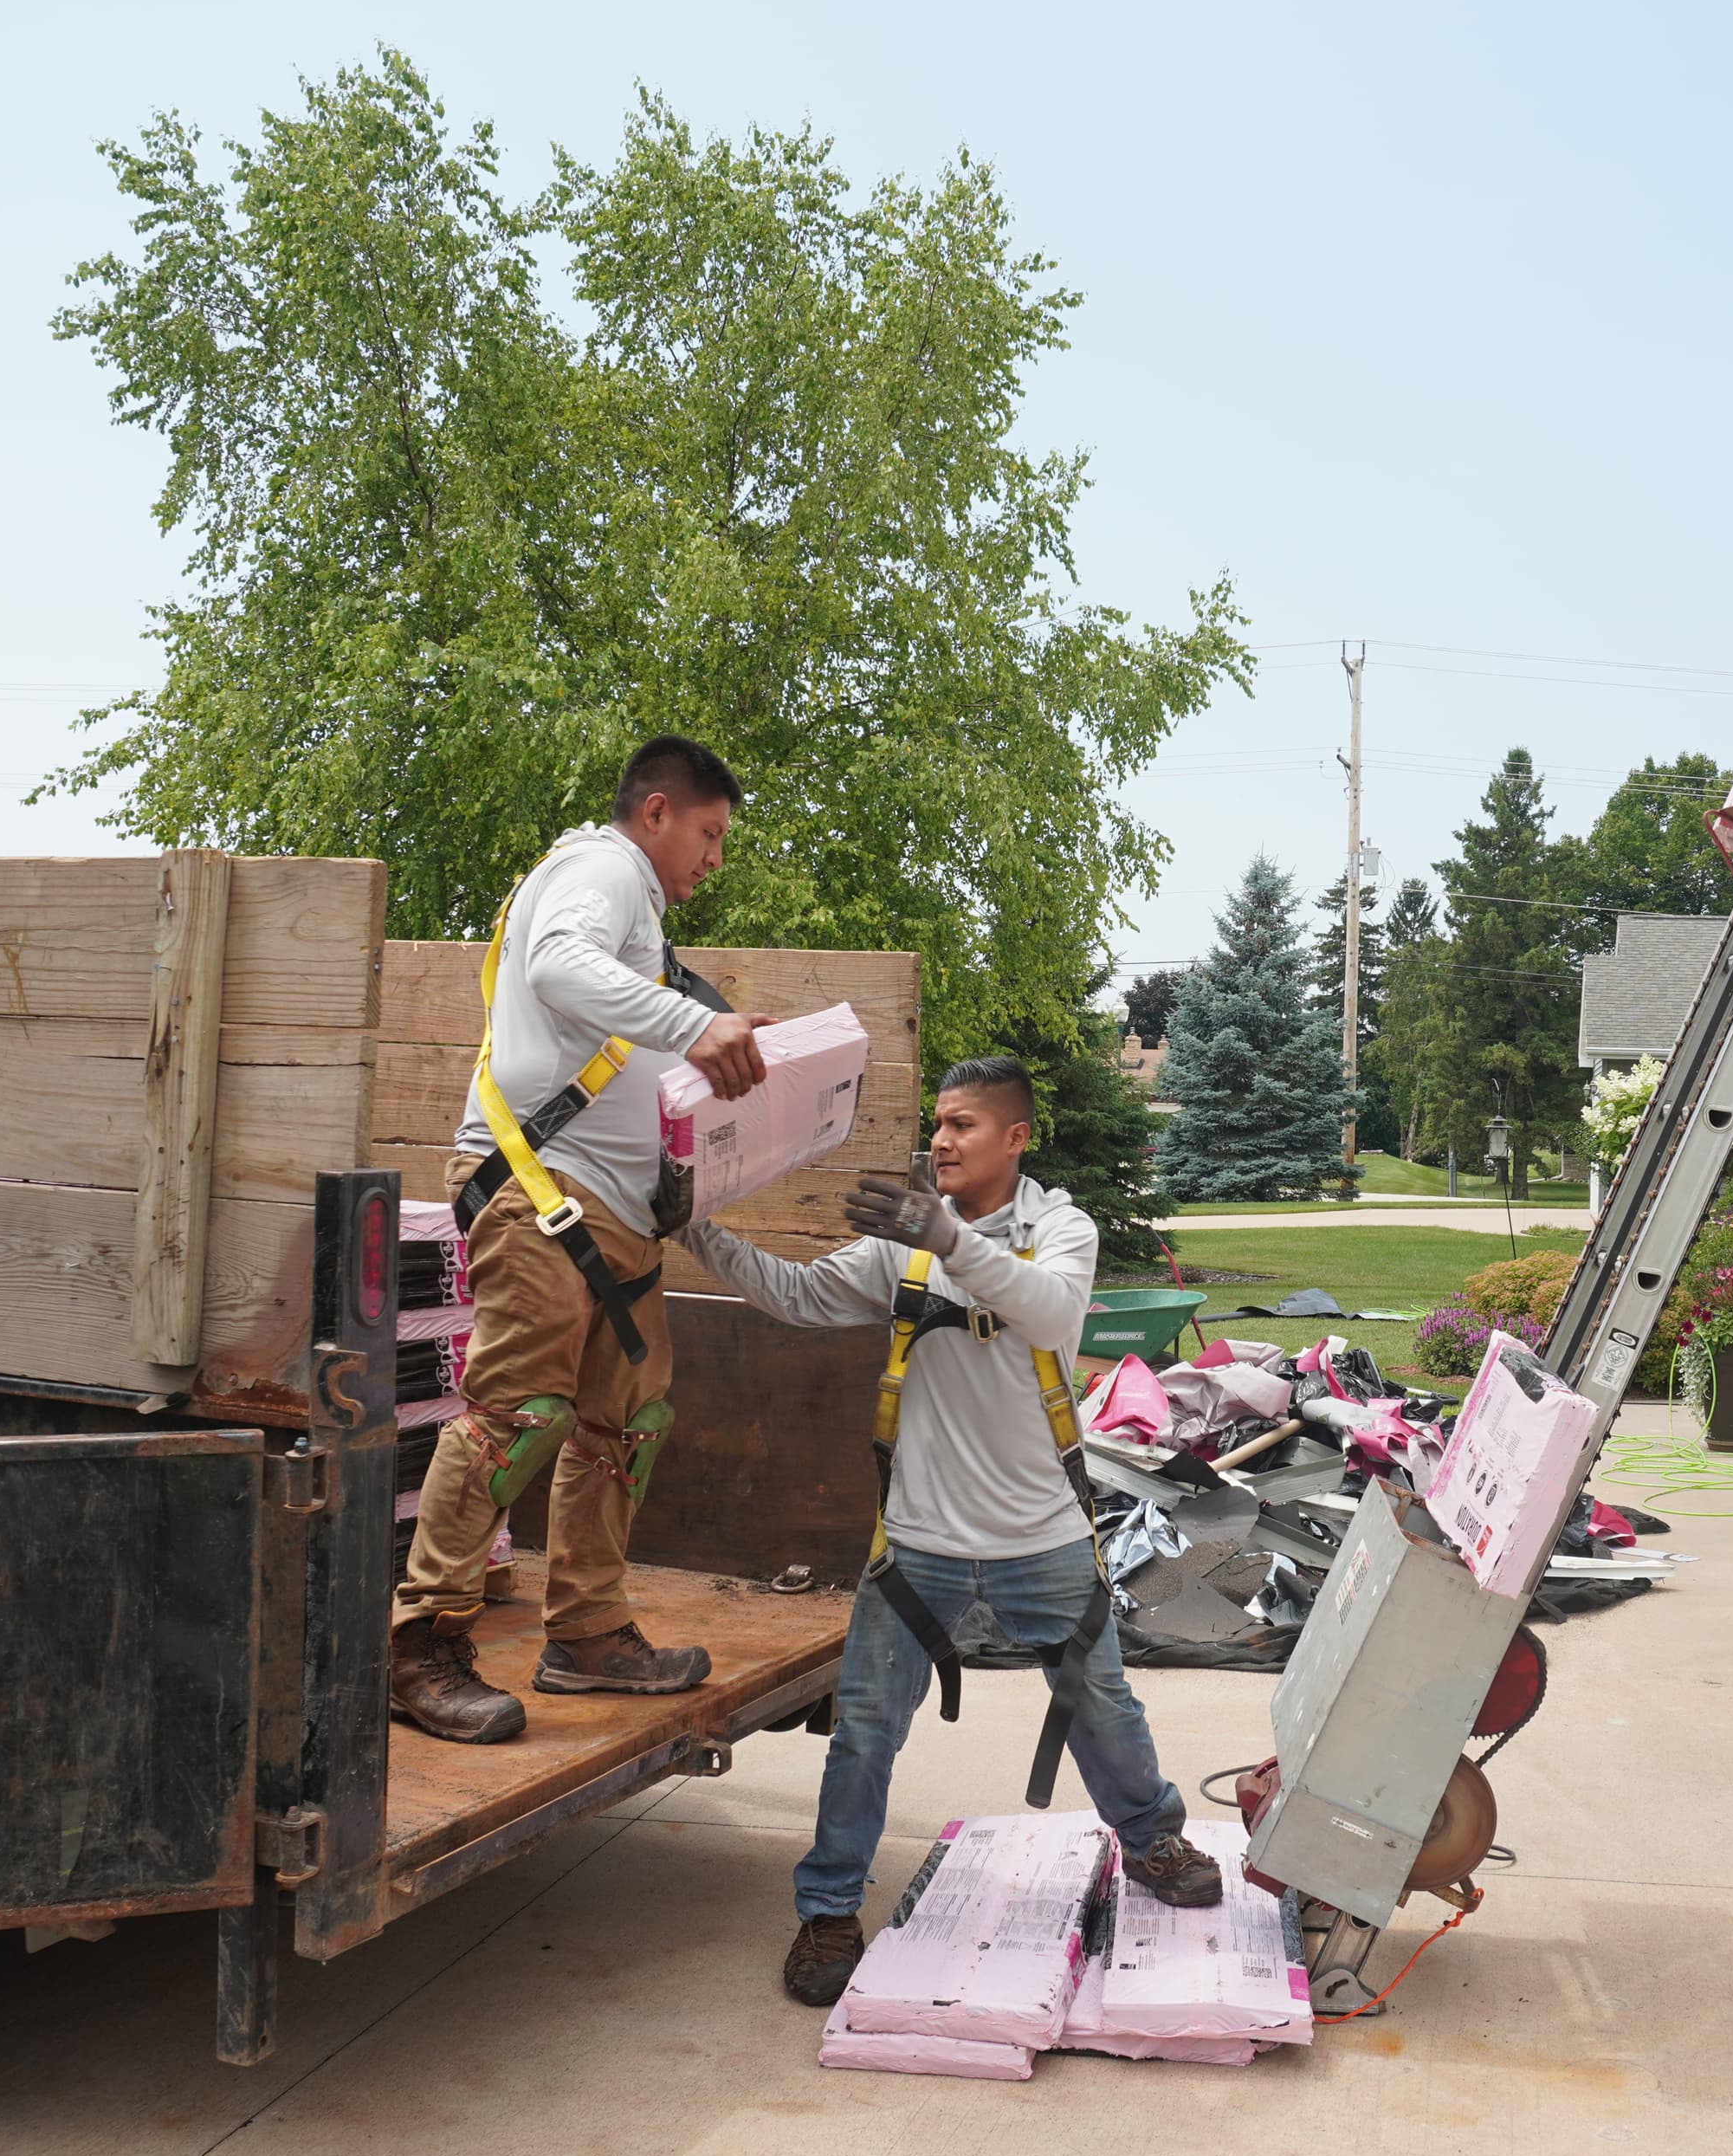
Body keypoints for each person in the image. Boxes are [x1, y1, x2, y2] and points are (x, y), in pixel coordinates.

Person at [684, 1056, 1226, 2007]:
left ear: (1016, 1138)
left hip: (1042, 1534)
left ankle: (1150, 1839)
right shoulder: (905, 1244)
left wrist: (948, 1237)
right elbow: (799, 1296)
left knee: (1102, 1706)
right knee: (861, 1733)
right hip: (919, 1544)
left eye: (964, 1124)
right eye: (937, 1122)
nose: (940, 1140)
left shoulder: (1061, 1229)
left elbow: (1050, 1309)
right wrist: (692, 1227)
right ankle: (829, 1908)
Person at [387, 735, 776, 1744]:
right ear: (654, 812)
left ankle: (590, 1633)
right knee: (515, 1417)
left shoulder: (640, 919)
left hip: (615, 1209)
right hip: (544, 1191)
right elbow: (559, 967)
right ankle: (416, 1642)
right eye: (709, 832)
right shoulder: (600, 868)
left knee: (624, 1423)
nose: (715, 857)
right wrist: (692, 1030)